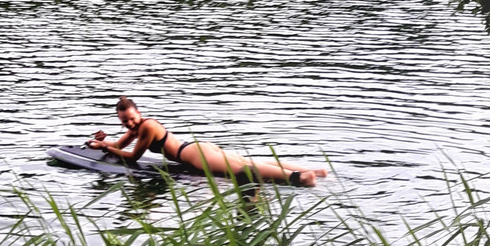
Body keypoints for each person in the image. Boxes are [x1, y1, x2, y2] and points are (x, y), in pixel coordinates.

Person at [87, 96, 328, 187]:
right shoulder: (138, 128)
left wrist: (108, 147)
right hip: (197, 149)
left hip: (194, 155)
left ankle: (300, 179)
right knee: (248, 162)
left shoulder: (147, 127)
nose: (128, 124)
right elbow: (118, 146)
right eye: (124, 122)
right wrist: (101, 142)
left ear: (138, 113)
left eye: (130, 119)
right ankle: (313, 171)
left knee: (242, 169)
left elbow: (131, 157)